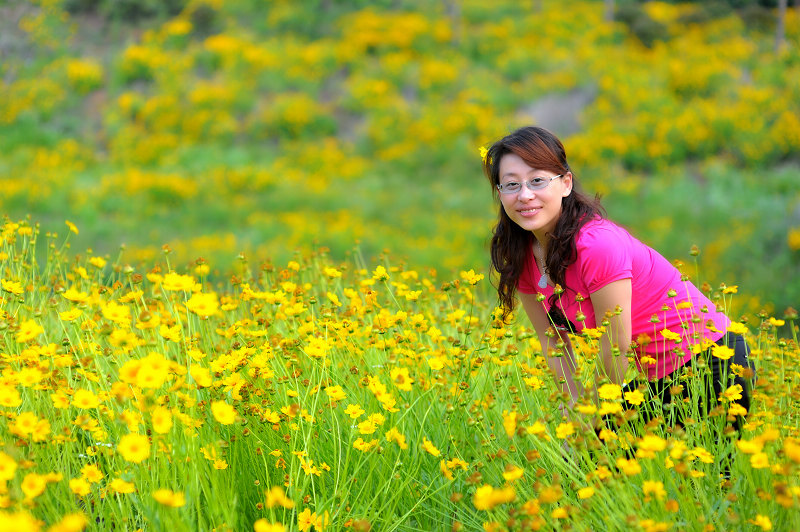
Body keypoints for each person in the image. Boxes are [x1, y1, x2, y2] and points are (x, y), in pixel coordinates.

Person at [483, 126, 755, 440]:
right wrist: (574, 409)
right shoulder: (521, 256)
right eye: (512, 185)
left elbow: (616, 347)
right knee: (594, 467)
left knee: (669, 476)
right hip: (655, 376)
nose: (525, 195)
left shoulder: (597, 245)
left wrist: (589, 419)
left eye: (537, 181)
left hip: (712, 362)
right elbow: (553, 342)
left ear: (566, 183)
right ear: (500, 193)